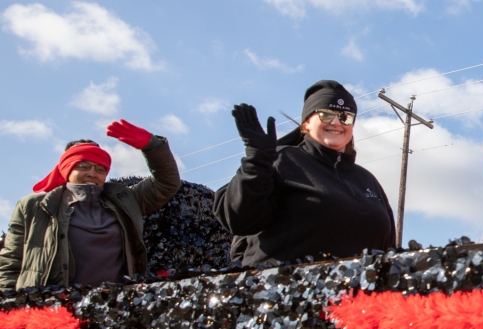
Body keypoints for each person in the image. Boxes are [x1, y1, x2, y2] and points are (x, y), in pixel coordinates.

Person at [213, 80, 396, 266]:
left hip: (360, 293)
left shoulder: (367, 180)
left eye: (346, 117)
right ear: (306, 123)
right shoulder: (282, 160)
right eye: (326, 114)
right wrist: (257, 161)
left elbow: (388, 252)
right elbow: (240, 219)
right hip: (283, 291)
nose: (336, 122)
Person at [0, 120, 181, 291]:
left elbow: (167, 183)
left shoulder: (125, 200)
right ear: (67, 169)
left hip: (114, 309)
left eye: (100, 169)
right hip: (52, 311)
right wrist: (8, 306)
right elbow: (11, 261)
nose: (92, 173)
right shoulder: (33, 206)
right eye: (83, 166)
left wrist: (153, 146)